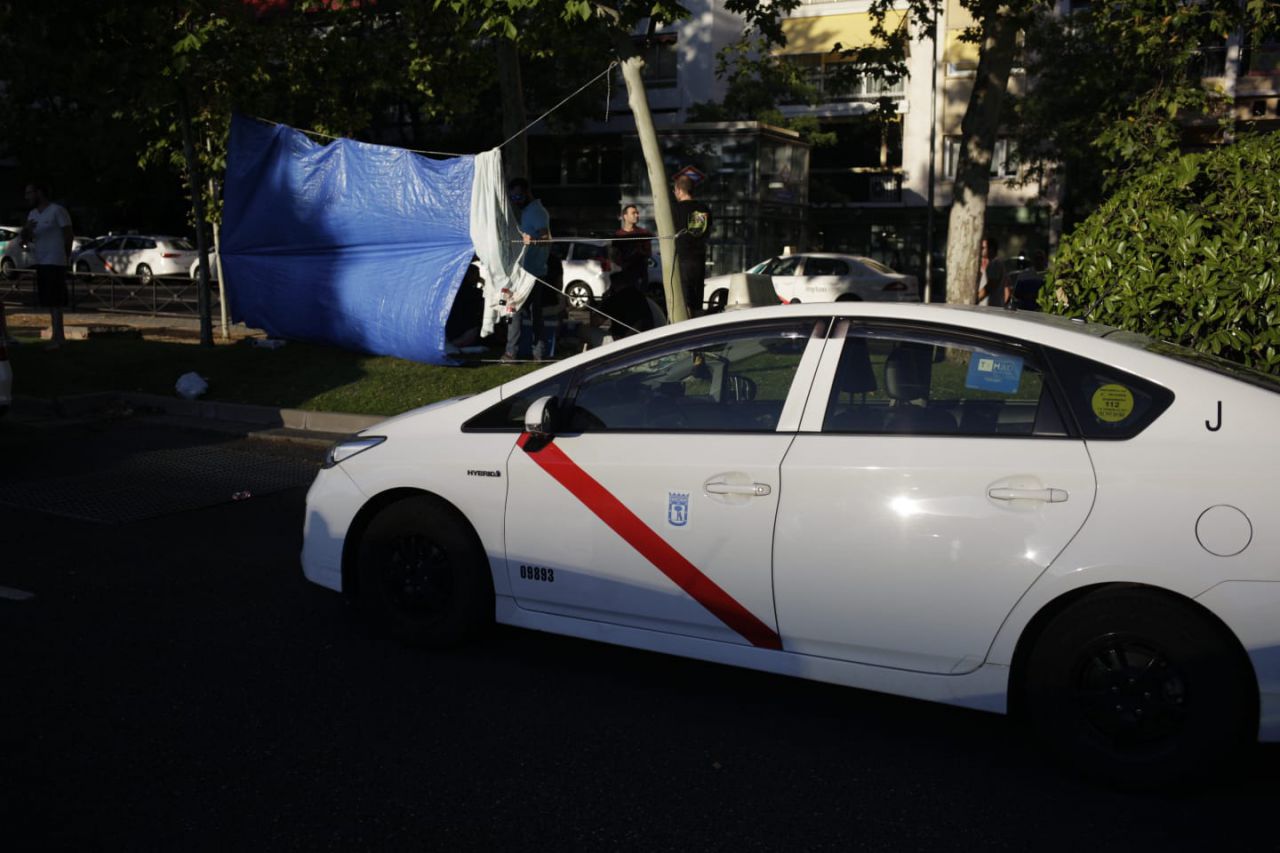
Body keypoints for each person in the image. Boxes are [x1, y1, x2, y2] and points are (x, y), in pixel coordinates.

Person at [502, 177, 551, 363]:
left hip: (533, 273)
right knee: (528, 313)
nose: (516, 201)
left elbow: (546, 239)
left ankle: (512, 354)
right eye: (513, 198)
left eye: (519, 196)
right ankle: (536, 353)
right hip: (526, 271)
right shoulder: (527, 212)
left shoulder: (536, 211)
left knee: (515, 310)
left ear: (527, 193)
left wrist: (532, 240)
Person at [22, 181, 73, 348]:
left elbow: (68, 235)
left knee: (56, 300)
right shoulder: (32, 214)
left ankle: (59, 338)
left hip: (55, 261)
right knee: (48, 301)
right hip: (41, 261)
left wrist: (66, 257)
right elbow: (26, 240)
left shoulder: (57, 211)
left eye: (30, 193)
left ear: (39, 193)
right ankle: (56, 337)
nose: (27, 197)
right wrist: (27, 230)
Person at [672, 175, 711, 318]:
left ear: (679, 190)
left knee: (685, 300)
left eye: (675, 190)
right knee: (697, 300)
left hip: (682, 258)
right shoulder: (703, 208)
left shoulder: (674, 209)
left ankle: (686, 329)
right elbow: (702, 232)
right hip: (699, 259)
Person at [611, 204, 653, 293]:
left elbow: (648, 253)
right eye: (633, 213)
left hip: (640, 277)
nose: (637, 215)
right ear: (625, 216)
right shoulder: (618, 235)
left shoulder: (644, 233)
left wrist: (639, 252)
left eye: (637, 213)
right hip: (624, 276)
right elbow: (614, 255)